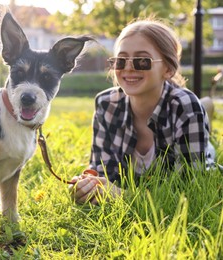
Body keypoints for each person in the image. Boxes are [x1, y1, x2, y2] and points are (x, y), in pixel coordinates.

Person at [69, 18, 216, 205]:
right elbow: (101, 171)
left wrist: (123, 196)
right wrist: (85, 187)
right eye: (120, 61)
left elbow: (191, 189)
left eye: (142, 61)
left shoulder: (185, 106)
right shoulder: (105, 104)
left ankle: (206, 110)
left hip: (192, 128)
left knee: (203, 126)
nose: (129, 67)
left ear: (168, 69)